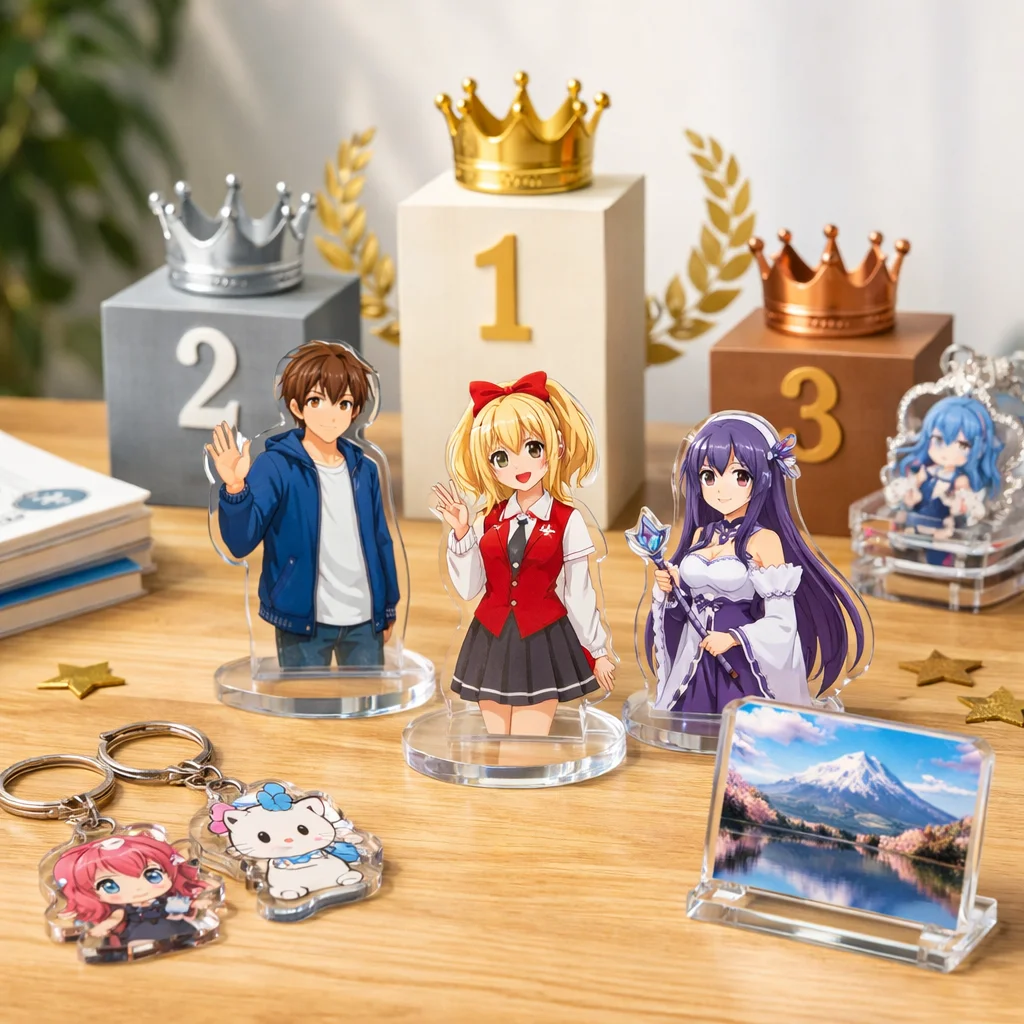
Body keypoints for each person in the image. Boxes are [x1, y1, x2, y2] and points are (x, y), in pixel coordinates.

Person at [432, 371, 615, 737]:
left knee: (528, 746)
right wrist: (462, 533)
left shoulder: (567, 520)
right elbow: (469, 589)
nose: (518, 466)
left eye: (532, 448)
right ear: (487, 463)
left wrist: (598, 650)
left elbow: (579, 591)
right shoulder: (486, 519)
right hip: (490, 640)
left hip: (543, 639)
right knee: (497, 744)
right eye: (501, 456)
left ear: (556, 447)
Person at [646, 412, 866, 715]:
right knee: (691, 718)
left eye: (739, 476)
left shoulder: (764, 541)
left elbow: (782, 621)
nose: (720, 489)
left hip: (739, 658)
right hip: (694, 650)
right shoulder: (701, 534)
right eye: (709, 476)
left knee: (739, 720)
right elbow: (685, 604)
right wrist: (671, 589)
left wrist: (733, 638)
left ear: (761, 479)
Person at [207, 341, 398, 669]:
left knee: (367, 694)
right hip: (301, 619)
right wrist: (235, 488)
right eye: (316, 401)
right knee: (303, 697)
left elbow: (381, 540)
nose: (330, 414)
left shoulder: (364, 469)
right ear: (296, 407)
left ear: (355, 411)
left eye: (343, 403)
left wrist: (388, 606)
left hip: (365, 618)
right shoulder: (275, 466)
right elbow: (240, 543)